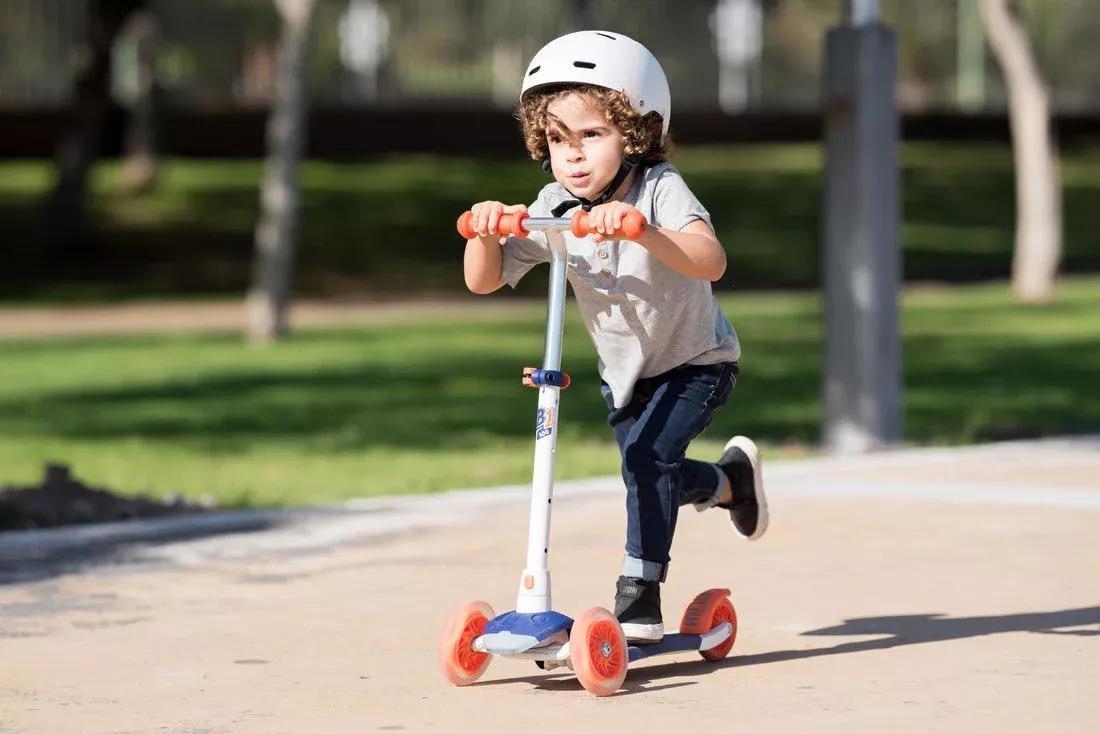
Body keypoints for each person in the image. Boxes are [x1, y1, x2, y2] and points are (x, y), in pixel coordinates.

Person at [461, 30, 769, 643]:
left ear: (636, 132)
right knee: (647, 470)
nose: (572, 156)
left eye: (591, 135)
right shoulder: (555, 203)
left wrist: (642, 231)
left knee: (646, 459)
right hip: (625, 373)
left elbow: (711, 260)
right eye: (556, 139)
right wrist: (487, 233)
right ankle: (731, 482)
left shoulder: (659, 188)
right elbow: (484, 282)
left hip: (697, 361)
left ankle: (639, 597)